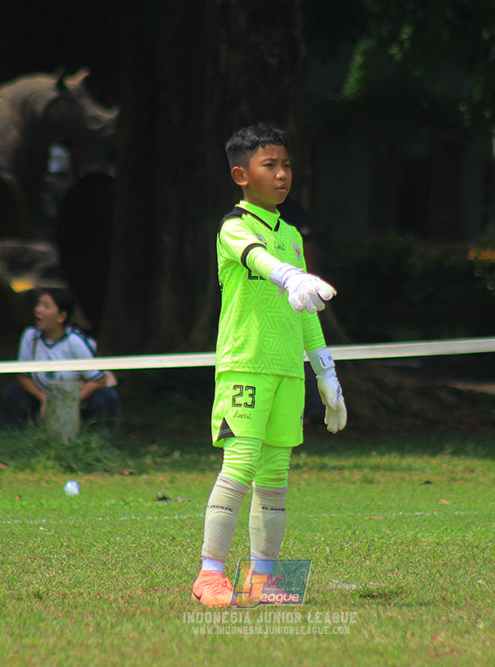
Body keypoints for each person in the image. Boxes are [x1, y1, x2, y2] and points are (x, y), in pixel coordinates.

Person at [191, 124, 348, 607]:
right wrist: (291, 277)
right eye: (270, 166)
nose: (282, 175)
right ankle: (210, 575)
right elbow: (259, 262)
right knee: (239, 464)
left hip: (286, 370)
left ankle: (261, 577)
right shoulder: (234, 226)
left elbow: (306, 310)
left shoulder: (294, 237)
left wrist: (326, 373)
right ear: (241, 175)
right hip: (246, 365)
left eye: (286, 165)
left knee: (276, 474)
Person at [1, 288, 119, 437]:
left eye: (46, 306)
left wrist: (67, 401)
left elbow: (98, 380)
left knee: (106, 396)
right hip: (42, 398)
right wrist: (44, 398)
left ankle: (101, 444)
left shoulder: (75, 341)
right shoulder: (29, 337)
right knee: (12, 394)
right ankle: (18, 442)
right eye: (38, 304)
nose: (38, 310)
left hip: (76, 400)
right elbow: (23, 376)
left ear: (61, 316)